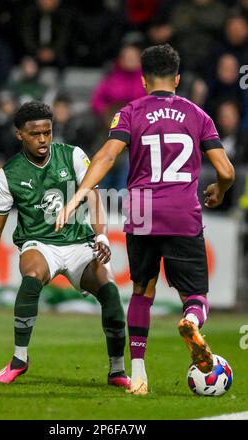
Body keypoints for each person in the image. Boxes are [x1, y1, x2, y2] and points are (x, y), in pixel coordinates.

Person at [56, 44, 235, 395]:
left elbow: (108, 156)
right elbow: (226, 170)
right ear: (178, 79)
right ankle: (191, 321)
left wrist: (78, 195)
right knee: (195, 295)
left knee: (142, 291)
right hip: (183, 211)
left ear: (143, 80)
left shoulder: (130, 112)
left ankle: (138, 374)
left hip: (142, 213)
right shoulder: (198, 115)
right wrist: (221, 189)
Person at [0, 101, 130, 388]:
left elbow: (92, 197)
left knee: (110, 292)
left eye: (47, 132)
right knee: (31, 275)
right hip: (39, 244)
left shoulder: (73, 156)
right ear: (20, 135)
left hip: (81, 243)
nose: (43, 140)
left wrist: (101, 235)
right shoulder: (8, 175)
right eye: (35, 134)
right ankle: (20, 358)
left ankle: (117, 370)